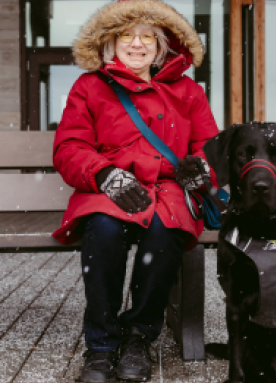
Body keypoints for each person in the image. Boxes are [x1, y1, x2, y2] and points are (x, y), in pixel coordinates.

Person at [51, 0, 218, 382]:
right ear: (111, 43)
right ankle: (102, 343)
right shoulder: (89, 87)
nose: (137, 44)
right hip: (108, 188)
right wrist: (106, 175)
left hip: (167, 189)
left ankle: (139, 336)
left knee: (165, 232)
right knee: (104, 232)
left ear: (163, 47)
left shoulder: (188, 91)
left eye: (148, 37)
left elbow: (209, 145)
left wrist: (200, 169)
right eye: (127, 35)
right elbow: (69, 148)